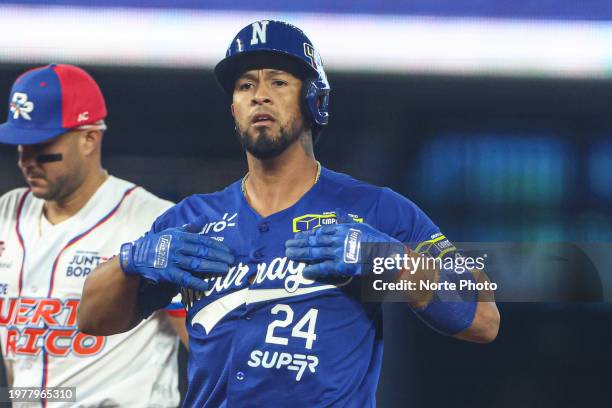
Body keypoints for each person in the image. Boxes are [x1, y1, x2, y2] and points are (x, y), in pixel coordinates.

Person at [78, 20, 500, 407]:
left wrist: (386, 260)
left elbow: (483, 316)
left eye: (278, 82)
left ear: (314, 99)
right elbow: (93, 319)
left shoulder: (375, 208)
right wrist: (133, 261)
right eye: (244, 86)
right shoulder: (192, 218)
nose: (258, 94)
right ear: (234, 111)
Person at [0, 64, 187, 407]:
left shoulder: (153, 219)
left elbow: (208, 343)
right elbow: (19, 358)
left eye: (40, 145)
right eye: (19, 145)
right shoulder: (5, 212)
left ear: (89, 138)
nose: (26, 160)